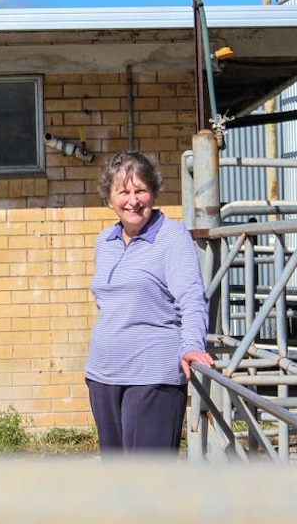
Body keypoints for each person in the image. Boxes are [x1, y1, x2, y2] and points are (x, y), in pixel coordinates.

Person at [85, 150, 214, 457]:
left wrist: (192, 345)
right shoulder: (105, 242)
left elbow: (192, 296)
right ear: (109, 199)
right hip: (103, 374)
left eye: (141, 190)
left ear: (154, 192)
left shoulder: (172, 236)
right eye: (123, 192)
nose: (133, 200)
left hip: (151, 373)